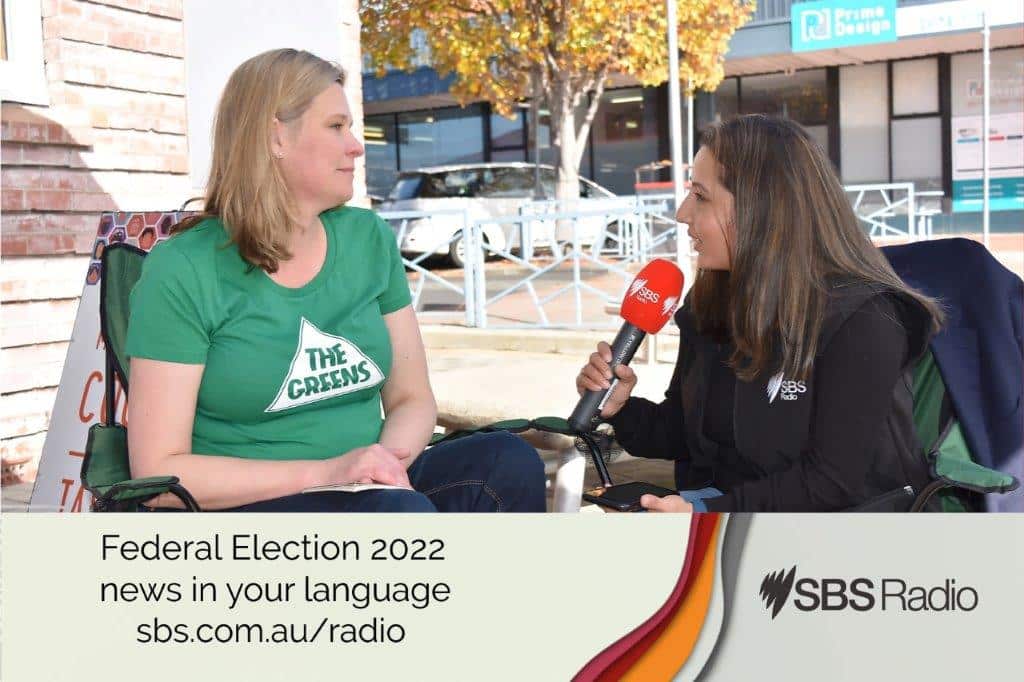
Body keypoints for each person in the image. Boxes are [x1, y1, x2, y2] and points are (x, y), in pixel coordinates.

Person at [125, 49, 545, 512]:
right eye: (335, 126)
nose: (356, 146)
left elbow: (412, 398)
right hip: (251, 502)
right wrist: (329, 474)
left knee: (507, 461)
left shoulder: (367, 238)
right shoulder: (185, 268)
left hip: (367, 486)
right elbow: (158, 475)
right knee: (398, 518)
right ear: (275, 137)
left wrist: (382, 467)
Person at [576, 115, 944, 512]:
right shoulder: (710, 303)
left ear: (762, 208)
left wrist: (708, 517)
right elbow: (687, 436)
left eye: (700, 196)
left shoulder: (865, 320)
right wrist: (622, 409)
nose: (683, 213)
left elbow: (833, 484)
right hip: (726, 513)